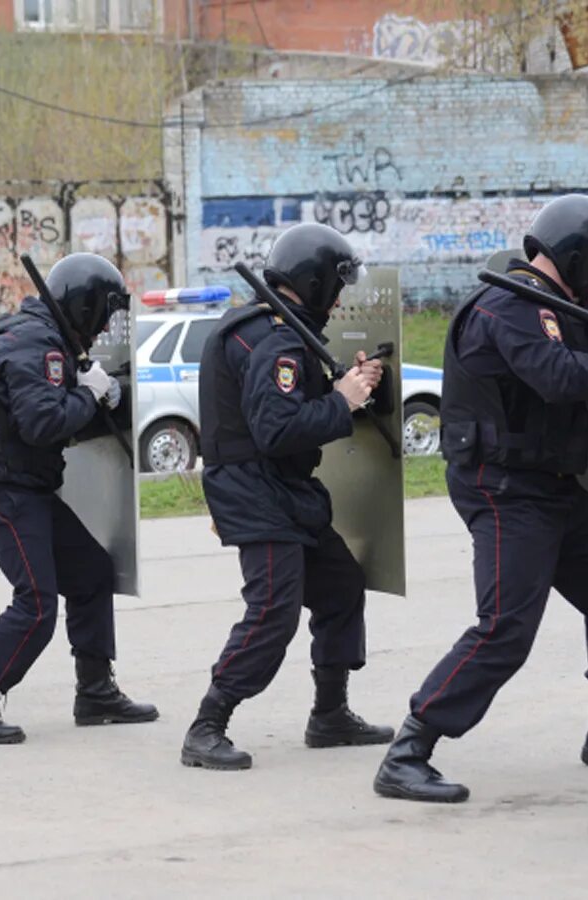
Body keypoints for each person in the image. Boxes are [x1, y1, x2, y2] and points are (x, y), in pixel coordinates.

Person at [372, 195, 588, 803]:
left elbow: (574, 384)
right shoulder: (511, 305)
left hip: (548, 485)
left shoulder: (556, 305)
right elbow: (562, 377)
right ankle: (410, 749)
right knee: (506, 628)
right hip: (503, 488)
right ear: (575, 254)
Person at [180, 222, 393, 771]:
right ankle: (207, 725)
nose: (341, 296)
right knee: (273, 608)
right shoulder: (274, 339)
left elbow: (286, 409)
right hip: (254, 491)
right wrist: (341, 402)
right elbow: (276, 429)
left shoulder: (273, 329)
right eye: (337, 284)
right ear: (316, 280)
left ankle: (330, 715)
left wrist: (344, 386)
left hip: (283, 489)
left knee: (340, 584)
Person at [0, 252, 156, 745]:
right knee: (36, 604)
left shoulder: (40, 336)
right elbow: (42, 423)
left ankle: (96, 691)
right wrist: (89, 395)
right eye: (103, 315)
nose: (104, 328)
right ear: (84, 308)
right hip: (3, 488)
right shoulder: (36, 343)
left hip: (23, 483)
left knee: (91, 573)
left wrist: (97, 393)